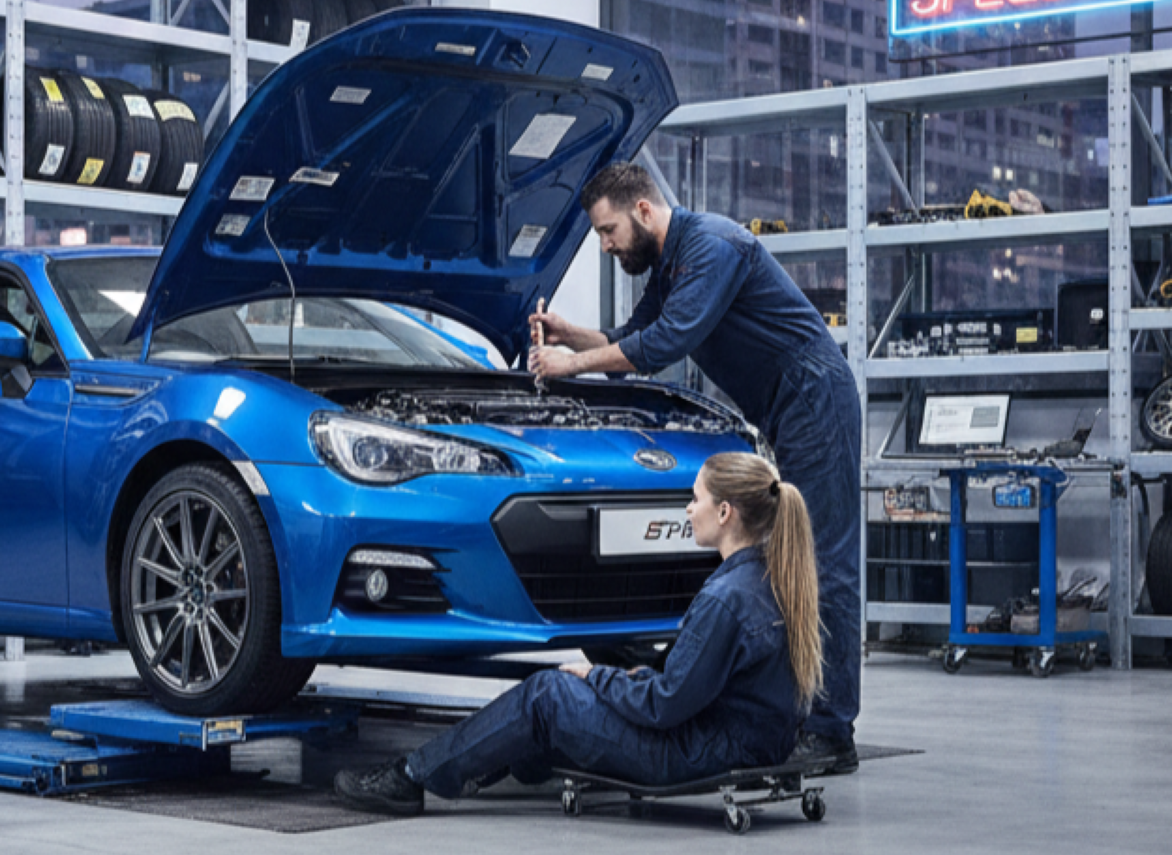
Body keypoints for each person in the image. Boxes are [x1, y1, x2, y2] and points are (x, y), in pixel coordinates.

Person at [529, 162, 862, 772]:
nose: (605, 247)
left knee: (823, 562)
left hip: (815, 400)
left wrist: (567, 366)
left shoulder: (712, 246)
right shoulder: (670, 263)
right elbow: (632, 334)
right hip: (783, 407)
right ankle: (791, 709)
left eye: (607, 231)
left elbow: (663, 345)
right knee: (789, 556)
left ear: (643, 211)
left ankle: (831, 730)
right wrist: (567, 334)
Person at [333, 453, 823, 816]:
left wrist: (598, 676)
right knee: (559, 714)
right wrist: (629, 678)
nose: (687, 509)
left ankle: (410, 776)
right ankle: (496, 760)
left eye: (695, 499)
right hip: (751, 743)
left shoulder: (725, 598)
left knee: (547, 694)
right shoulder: (774, 579)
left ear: (725, 513)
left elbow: (665, 706)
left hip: (696, 752)